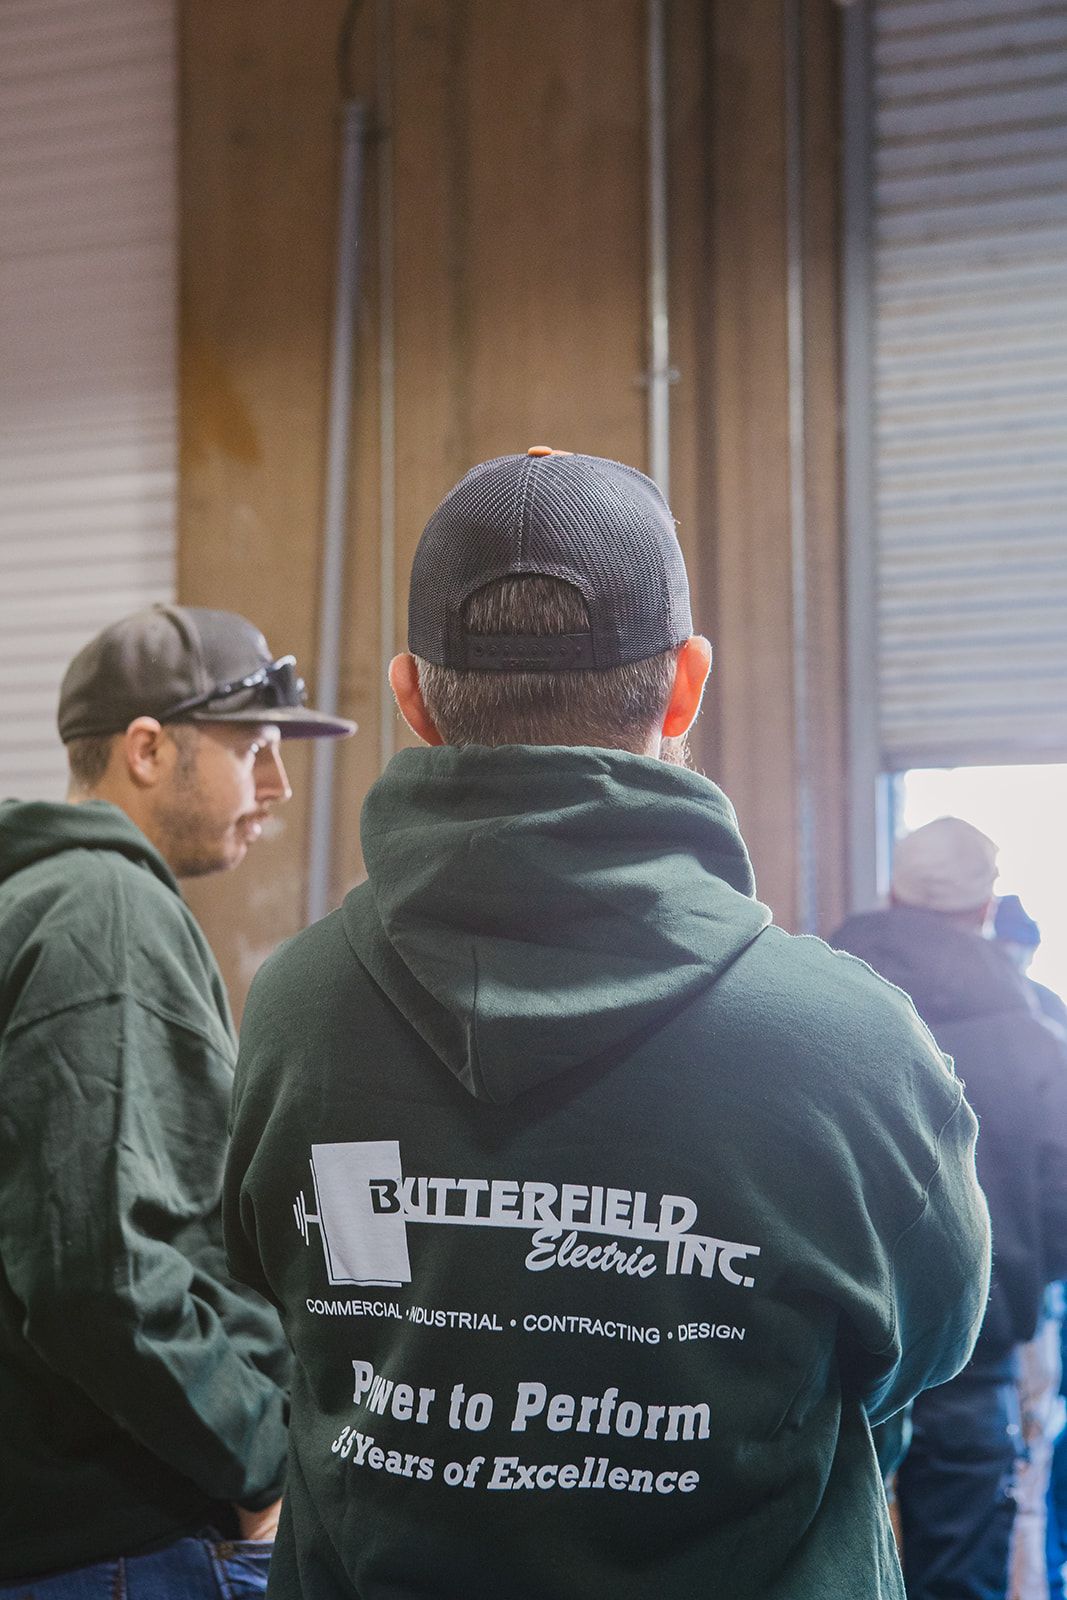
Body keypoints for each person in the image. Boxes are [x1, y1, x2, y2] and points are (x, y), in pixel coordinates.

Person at [224, 448, 991, 1600]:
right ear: (685, 683)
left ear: (412, 696)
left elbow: (282, 1293)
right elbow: (921, 1350)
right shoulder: (848, 1048)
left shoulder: (295, 1007)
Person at [0, 604, 354, 1595]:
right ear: (149, 749)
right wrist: (261, 1457)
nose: (278, 786)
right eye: (253, 749)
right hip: (111, 1545)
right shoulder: (103, 912)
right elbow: (96, 1278)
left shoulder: (40, 900)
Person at [833, 819, 1067, 1600]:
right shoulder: (1037, 1036)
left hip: (826, 1342)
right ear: (982, 910)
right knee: (961, 1564)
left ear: (889, 893)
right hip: (978, 1348)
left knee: (816, 1552)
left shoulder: (816, 1001)